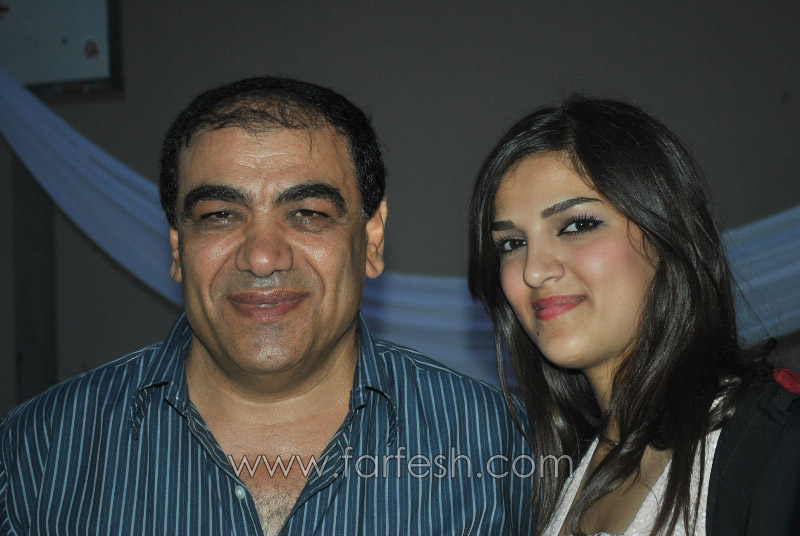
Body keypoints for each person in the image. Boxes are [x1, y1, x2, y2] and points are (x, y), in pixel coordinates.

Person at [0, 77, 534, 535]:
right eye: (219, 215)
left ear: (371, 240)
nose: (261, 257)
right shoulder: (40, 452)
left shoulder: (499, 447)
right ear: (177, 248)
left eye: (307, 213)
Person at [467, 96, 800, 535]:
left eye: (577, 225)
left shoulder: (773, 444)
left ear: (665, 234)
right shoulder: (541, 475)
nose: (533, 270)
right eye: (512, 244)